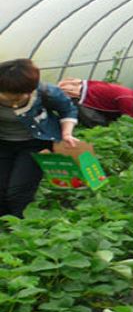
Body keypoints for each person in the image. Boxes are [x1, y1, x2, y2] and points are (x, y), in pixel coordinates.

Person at [0, 59, 80, 218]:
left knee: (19, 191)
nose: (13, 103)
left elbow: (68, 110)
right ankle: (4, 226)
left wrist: (66, 134)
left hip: (35, 143)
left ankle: (21, 228)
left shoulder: (46, 92)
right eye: (7, 97)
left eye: (19, 97)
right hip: (3, 144)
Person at [56, 78, 133, 128]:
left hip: (90, 93)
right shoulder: (127, 99)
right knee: (96, 122)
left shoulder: (131, 95)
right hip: (81, 95)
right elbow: (128, 116)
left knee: (106, 119)